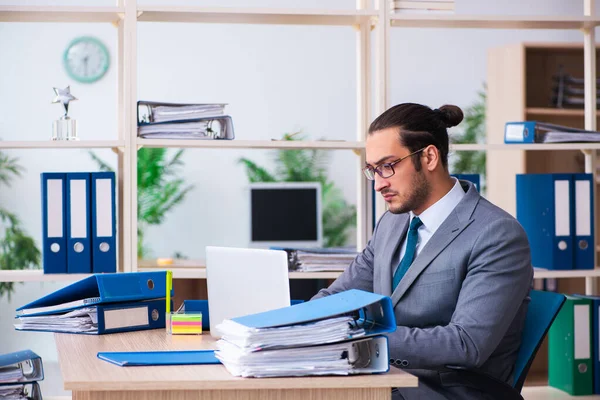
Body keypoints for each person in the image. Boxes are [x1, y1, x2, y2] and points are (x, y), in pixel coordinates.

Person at [312, 103, 533, 400]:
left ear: (429, 156)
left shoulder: (497, 234)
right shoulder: (392, 223)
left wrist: (362, 338)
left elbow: (466, 344)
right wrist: (280, 329)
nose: (378, 183)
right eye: (372, 170)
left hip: (449, 392)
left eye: (388, 166)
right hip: (385, 380)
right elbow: (337, 298)